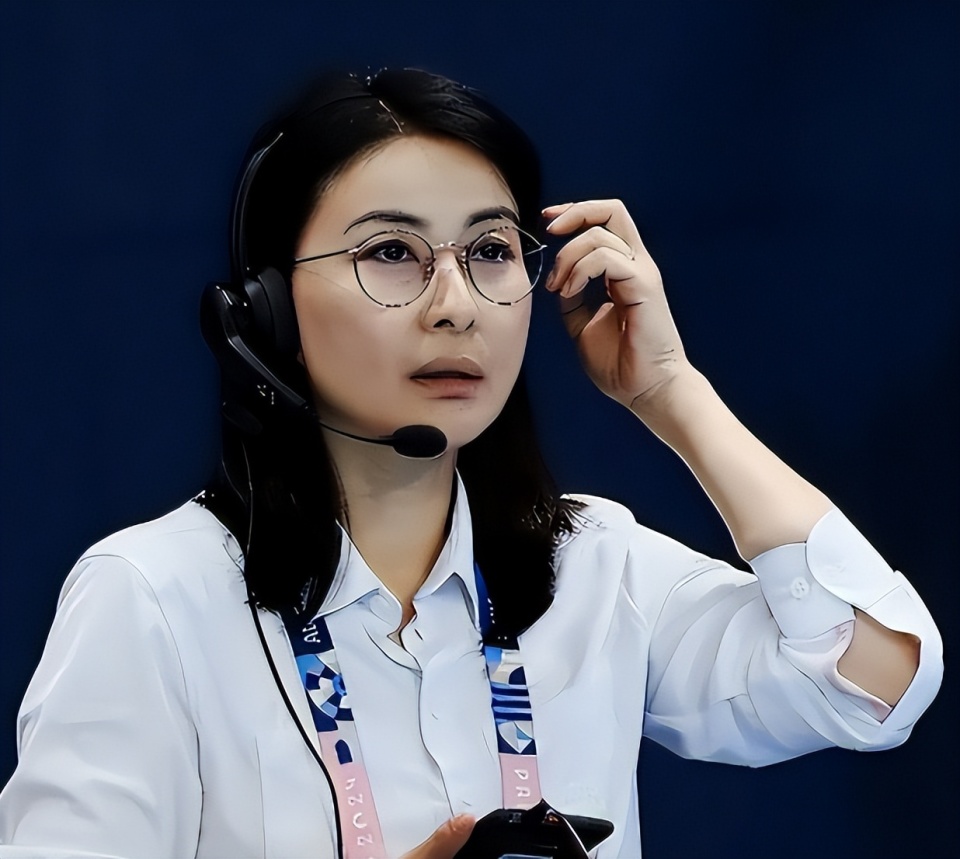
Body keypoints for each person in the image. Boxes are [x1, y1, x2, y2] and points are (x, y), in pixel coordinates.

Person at [0, 68, 942, 859]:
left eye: (491, 251)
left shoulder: (595, 565)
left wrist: (670, 391)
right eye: (392, 252)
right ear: (267, 311)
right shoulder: (153, 597)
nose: (455, 304)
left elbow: (875, 679)